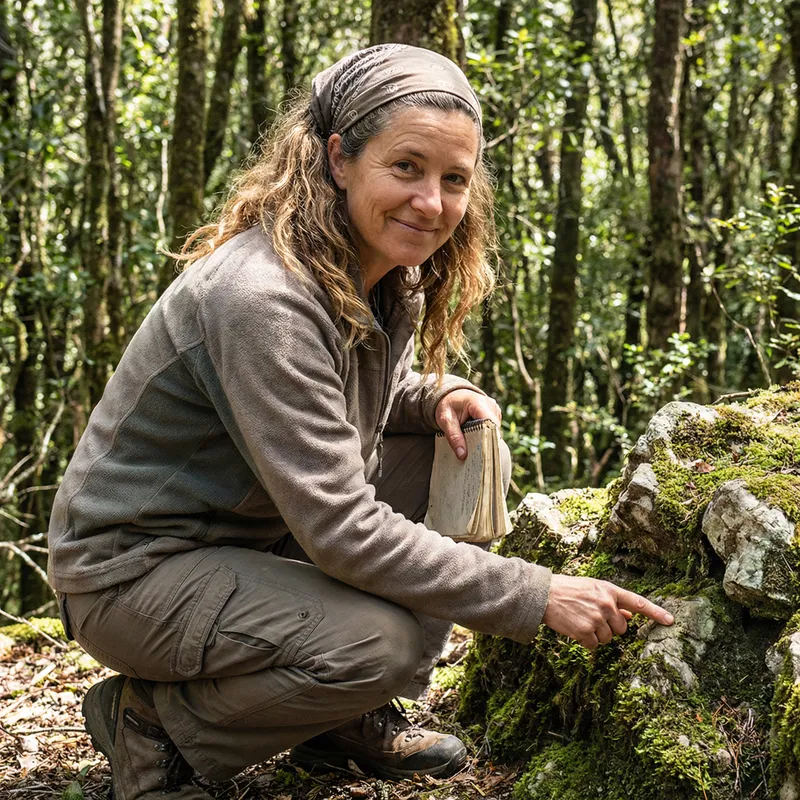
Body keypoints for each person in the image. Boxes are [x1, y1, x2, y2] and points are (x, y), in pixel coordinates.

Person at [47, 44, 673, 800]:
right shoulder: (262, 297)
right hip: (132, 573)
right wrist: (537, 594)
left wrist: (430, 398)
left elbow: (345, 395)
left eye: (454, 179)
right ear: (339, 159)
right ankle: (155, 726)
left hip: (254, 536)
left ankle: (335, 717)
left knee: (458, 450)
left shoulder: (383, 274)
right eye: (406, 167)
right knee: (379, 644)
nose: (431, 203)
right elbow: (342, 527)